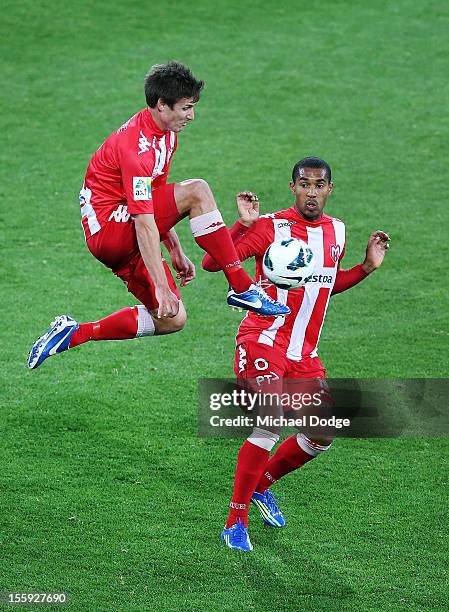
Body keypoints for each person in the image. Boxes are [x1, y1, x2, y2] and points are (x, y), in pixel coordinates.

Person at [27, 61, 289, 370]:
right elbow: (144, 219)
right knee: (198, 191)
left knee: (172, 318)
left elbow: (154, 202)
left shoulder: (166, 136)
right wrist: (160, 285)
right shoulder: (137, 150)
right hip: (111, 230)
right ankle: (242, 287)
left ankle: (74, 334)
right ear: (162, 105)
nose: (191, 115)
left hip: (125, 234)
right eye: (186, 107)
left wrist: (175, 250)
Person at [202, 156, 390, 551]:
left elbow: (324, 284)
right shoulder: (272, 226)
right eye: (304, 184)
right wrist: (244, 224)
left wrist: (366, 268)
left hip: (304, 352)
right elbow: (211, 260)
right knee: (270, 421)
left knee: (321, 433)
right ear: (293, 187)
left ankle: (261, 486)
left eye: (319, 185)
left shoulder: (336, 231)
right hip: (262, 340)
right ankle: (235, 520)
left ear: (329, 190)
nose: (311, 192)